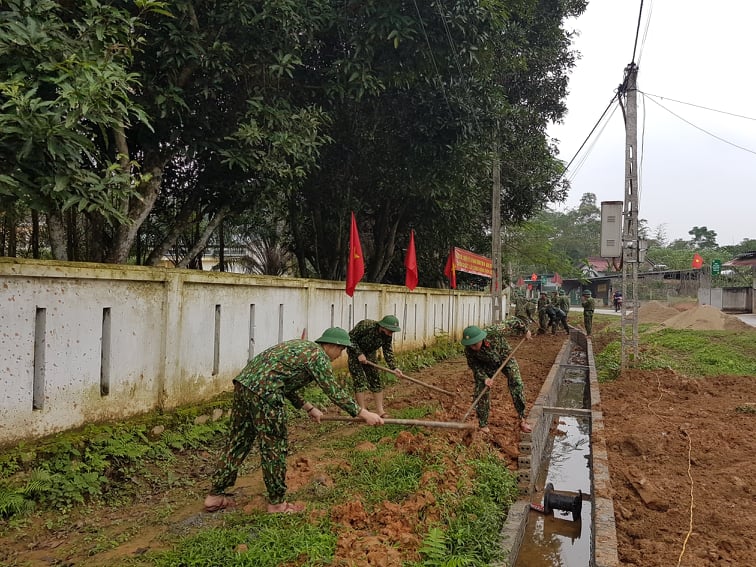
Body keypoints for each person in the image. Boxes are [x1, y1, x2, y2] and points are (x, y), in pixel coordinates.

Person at [204, 328, 383, 514]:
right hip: (266, 393)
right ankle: (277, 504)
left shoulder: (302, 348)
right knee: (274, 446)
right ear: (331, 345)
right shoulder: (318, 355)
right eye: (341, 350)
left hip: (244, 385)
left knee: (238, 441)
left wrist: (309, 408)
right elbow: (334, 391)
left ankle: (215, 496)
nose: (340, 355)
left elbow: (283, 381)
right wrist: (363, 413)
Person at [460, 323, 532, 434]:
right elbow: (474, 366)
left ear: (481, 338)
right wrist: (484, 378)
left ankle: (522, 419)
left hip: (506, 359)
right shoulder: (469, 350)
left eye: (474, 344)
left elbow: (513, 321)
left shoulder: (494, 332)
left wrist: (525, 330)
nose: (472, 347)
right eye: (470, 345)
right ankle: (483, 425)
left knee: (516, 383)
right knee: (481, 390)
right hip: (486, 365)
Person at [348, 315, 405, 417]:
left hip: (370, 354)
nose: (391, 334)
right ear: (382, 327)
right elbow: (350, 338)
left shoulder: (387, 335)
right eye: (390, 331)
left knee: (376, 380)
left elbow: (387, 350)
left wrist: (394, 368)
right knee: (359, 381)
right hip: (355, 354)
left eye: (392, 332)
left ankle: (380, 411)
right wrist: (359, 353)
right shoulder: (366, 325)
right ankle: (363, 412)